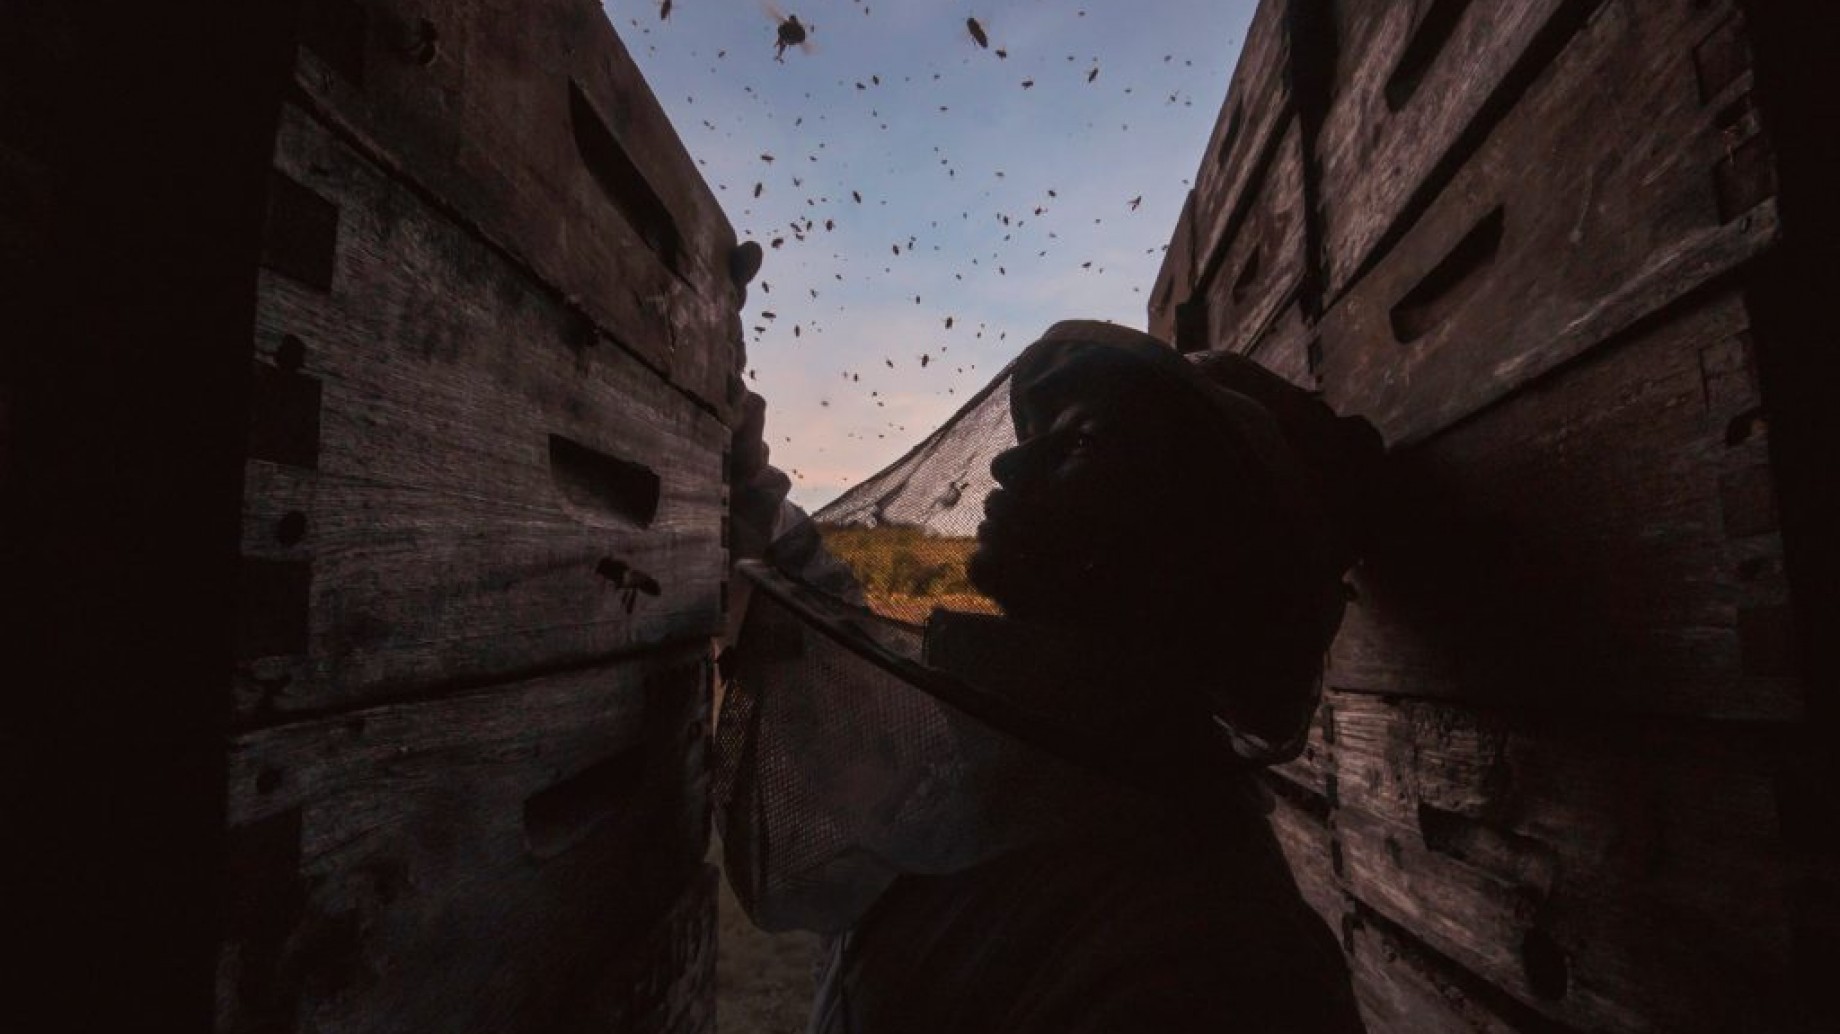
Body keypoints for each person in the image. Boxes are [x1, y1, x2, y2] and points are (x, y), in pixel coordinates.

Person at [724, 320, 1381, 1033]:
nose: (1007, 467)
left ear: (1193, 547)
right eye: (1033, 433)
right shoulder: (1037, 762)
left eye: (1082, 443)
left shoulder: (1219, 972)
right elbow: (853, 711)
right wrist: (751, 492)